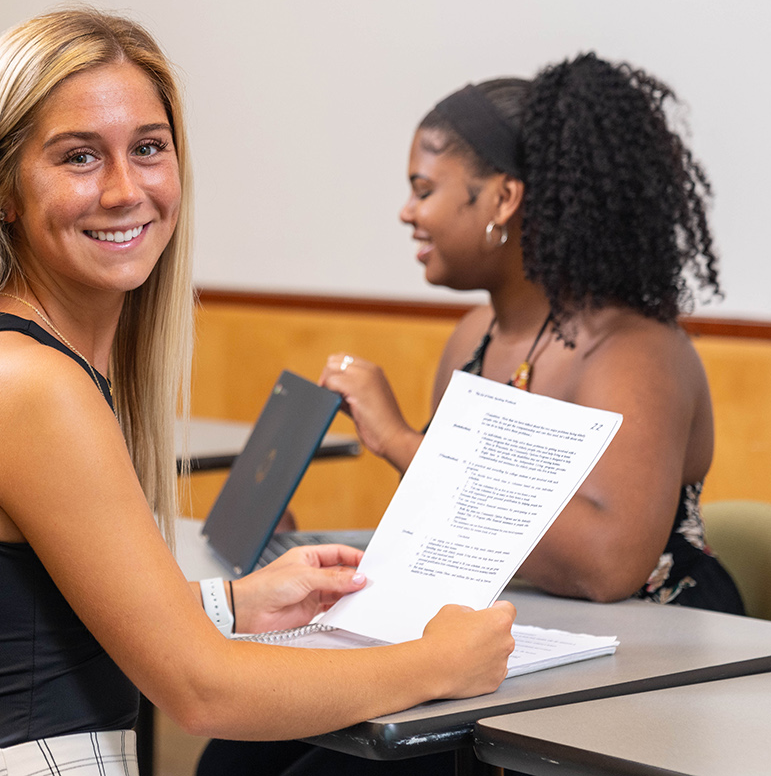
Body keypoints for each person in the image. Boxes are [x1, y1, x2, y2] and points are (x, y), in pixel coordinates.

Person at [0, 7, 517, 776]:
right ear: (5, 190)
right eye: (80, 157)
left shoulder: (24, 362)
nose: (125, 190)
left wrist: (233, 605)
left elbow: (47, 624)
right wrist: (440, 662)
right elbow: (203, 693)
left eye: (148, 149)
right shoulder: (28, 385)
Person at [318, 57, 742, 613]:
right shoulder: (474, 338)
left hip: (666, 660)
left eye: (424, 190)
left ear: (503, 199)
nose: (407, 212)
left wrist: (401, 443)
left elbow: (607, 566)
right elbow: (459, 533)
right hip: (528, 637)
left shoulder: (634, 352)